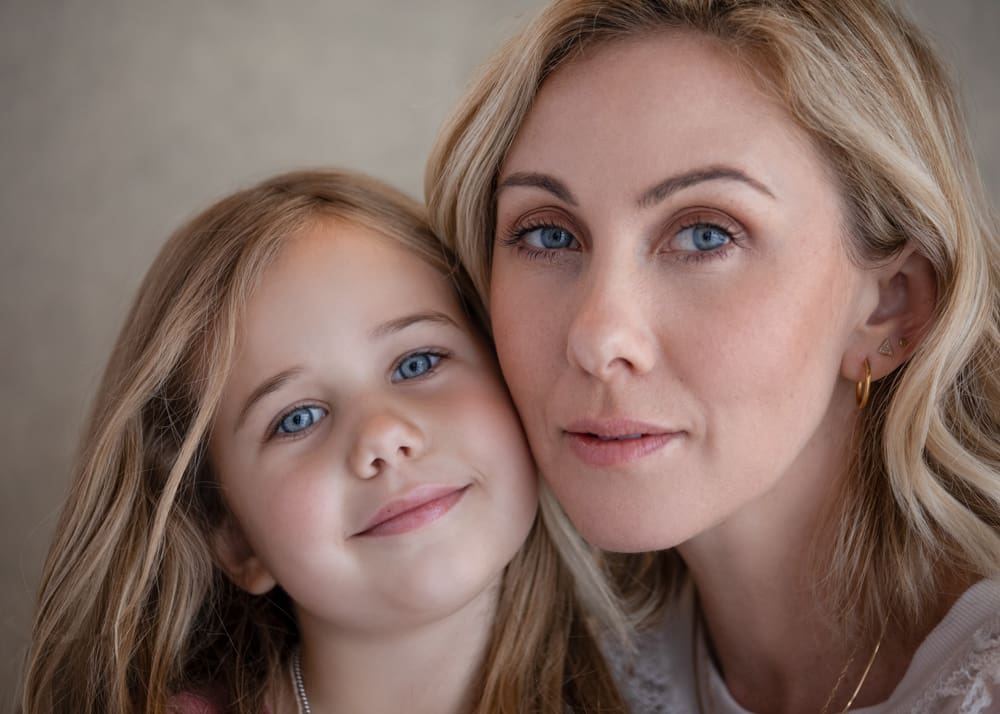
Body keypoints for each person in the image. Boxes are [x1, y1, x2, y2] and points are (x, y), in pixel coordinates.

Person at [425, 0, 1000, 711]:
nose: (599, 338)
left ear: (890, 309)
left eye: (704, 235)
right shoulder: (543, 672)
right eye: (548, 235)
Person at [19, 169, 628, 714]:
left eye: (417, 363)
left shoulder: (670, 685)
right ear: (231, 535)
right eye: (297, 417)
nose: (383, 436)